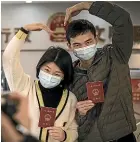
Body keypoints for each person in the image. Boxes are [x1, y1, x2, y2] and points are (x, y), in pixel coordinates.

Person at [64, 1, 136, 142]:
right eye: (77, 45)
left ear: (96, 39)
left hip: (122, 137)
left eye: (88, 42)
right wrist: (80, 113)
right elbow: (67, 116)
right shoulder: (68, 75)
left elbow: (123, 21)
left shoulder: (115, 56)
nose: (84, 48)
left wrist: (85, 5)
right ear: (69, 46)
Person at [2, 23, 78, 142]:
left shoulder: (70, 99)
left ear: (64, 76)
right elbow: (9, 59)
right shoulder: (24, 85)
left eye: (57, 74)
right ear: (40, 67)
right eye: (47, 70)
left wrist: (65, 135)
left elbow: (73, 129)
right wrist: (24, 30)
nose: (50, 76)